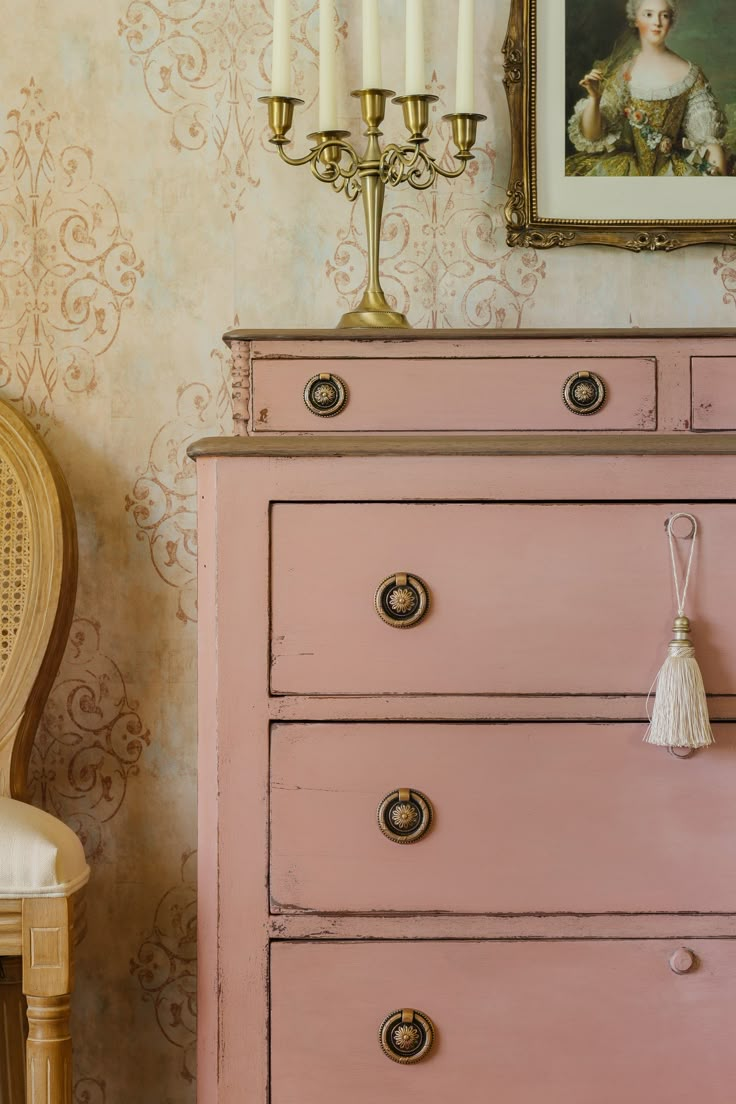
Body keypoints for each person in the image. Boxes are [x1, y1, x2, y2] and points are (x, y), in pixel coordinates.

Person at [567, 0, 727, 176]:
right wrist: (595, 99)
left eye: (664, 15)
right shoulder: (624, 73)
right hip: (628, 172)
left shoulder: (691, 74)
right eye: (649, 14)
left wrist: (717, 176)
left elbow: (708, 140)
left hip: (674, 172)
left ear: (671, 21)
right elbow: (593, 136)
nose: (657, 22)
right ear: (636, 20)